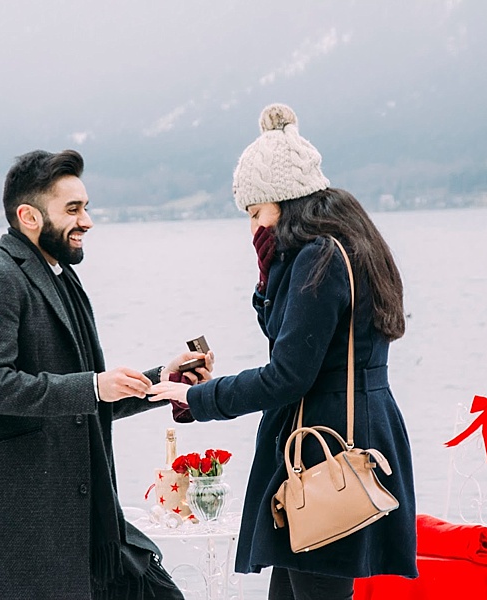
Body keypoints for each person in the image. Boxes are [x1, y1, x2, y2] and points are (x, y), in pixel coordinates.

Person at [148, 104, 418, 600]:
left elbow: (288, 374)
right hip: (344, 433)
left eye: (255, 212)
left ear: (284, 202)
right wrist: (269, 276)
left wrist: (202, 398)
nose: (253, 226)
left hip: (323, 449)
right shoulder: (348, 245)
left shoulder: (320, 258)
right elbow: (299, 349)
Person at [0, 149, 211, 600]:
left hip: (84, 521)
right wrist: (94, 386)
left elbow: (90, 397)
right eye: (73, 210)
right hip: (24, 533)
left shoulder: (62, 279)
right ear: (28, 216)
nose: (87, 221)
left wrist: (163, 379)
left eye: (86, 207)